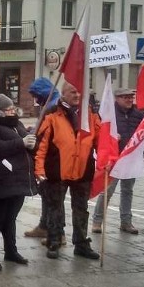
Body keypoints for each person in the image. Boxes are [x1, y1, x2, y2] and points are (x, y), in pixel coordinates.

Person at [34, 82, 101, 260]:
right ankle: (54, 241)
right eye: (73, 91)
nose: (77, 95)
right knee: (55, 208)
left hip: (83, 169)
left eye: (80, 91)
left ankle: (81, 244)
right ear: (63, 94)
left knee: (81, 208)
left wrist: (107, 152)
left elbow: (99, 138)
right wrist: (39, 170)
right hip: (57, 170)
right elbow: (41, 145)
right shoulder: (52, 113)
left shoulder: (90, 114)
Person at [0, 94, 37, 270]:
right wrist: (21, 142)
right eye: (7, 109)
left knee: (10, 218)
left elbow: (27, 144)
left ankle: (11, 251)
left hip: (18, 180)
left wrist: (33, 144)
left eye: (12, 108)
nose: (11, 111)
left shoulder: (16, 124)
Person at [91, 88, 144, 235]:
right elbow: (100, 134)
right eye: (125, 97)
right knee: (107, 191)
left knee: (127, 191)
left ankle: (126, 222)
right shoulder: (110, 115)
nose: (129, 100)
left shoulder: (138, 115)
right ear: (117, 99)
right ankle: (97, 221)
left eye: (131, 97)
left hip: (130, 159)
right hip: (114, 159)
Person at [24, 78, 62, 240]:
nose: (35, 99)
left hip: (52, 158)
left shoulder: (52, 106)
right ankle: (44, 226)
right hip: (47, 157)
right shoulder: (49, 104)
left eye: (36, 95)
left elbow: (47, 130)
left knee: (54, 198)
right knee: (47, 195)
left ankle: (57, 233)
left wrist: (34, 133)